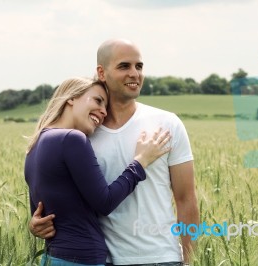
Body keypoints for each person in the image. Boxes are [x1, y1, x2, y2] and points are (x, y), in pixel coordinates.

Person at [30, 39, 199, 265]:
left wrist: (190, 259)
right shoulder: (85, 132)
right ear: (102, 72)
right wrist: (35, 223)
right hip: (104, 259)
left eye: (139, 66)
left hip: (161, 258)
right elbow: (61, 194)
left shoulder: (167, 124)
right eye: (124, 66)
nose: (134, 73)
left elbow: (186, 199)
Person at [24, 77, 172, 265]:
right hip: (81, 259)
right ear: (71, 98)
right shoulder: (72, 139)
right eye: (98, 100)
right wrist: (141, 161)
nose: (103, 112)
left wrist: (33, 226)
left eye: (106, 107)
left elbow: (39, 214)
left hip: (52, 257)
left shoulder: (34, 146)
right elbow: (105, 202)